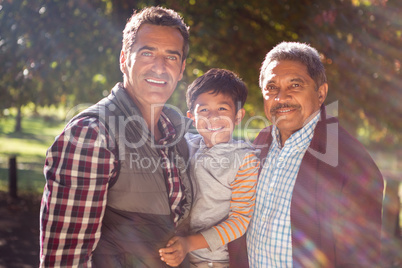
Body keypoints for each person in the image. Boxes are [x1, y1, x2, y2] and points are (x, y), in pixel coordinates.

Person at [39, 7, 194, 267]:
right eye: (147, 53)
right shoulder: (92, 134)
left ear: (181, 69)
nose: (160, 67)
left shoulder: (177, 134)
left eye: (171, 57)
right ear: (124, 59)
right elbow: (65, 260)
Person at [231, 42, 384, 267]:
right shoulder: (260, 142)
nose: (281, 97)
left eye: (295, 85)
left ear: (320, 93)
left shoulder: (350, 162)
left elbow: (361, 256)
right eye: (271, 87)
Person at [159, 68, 260, 267]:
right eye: (203, 110)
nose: (213, 116)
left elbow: (239, 221)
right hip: (177, 253)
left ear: (238, 116)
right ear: (192, 117)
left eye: (222, 109)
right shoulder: (187, 145)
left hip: (214, 260)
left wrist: (189, 244)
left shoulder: (244, 159)